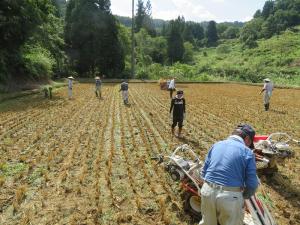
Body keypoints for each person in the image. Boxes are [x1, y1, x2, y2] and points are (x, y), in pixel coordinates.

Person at [199, 124, 259, 225]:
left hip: (207, 191)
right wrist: (244, 196)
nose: (248, 146)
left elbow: (203, 172)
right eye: (250, 143)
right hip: (230, 197)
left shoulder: (216, 145)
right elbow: (252, 184)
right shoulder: (247, 152)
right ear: (247, 138)